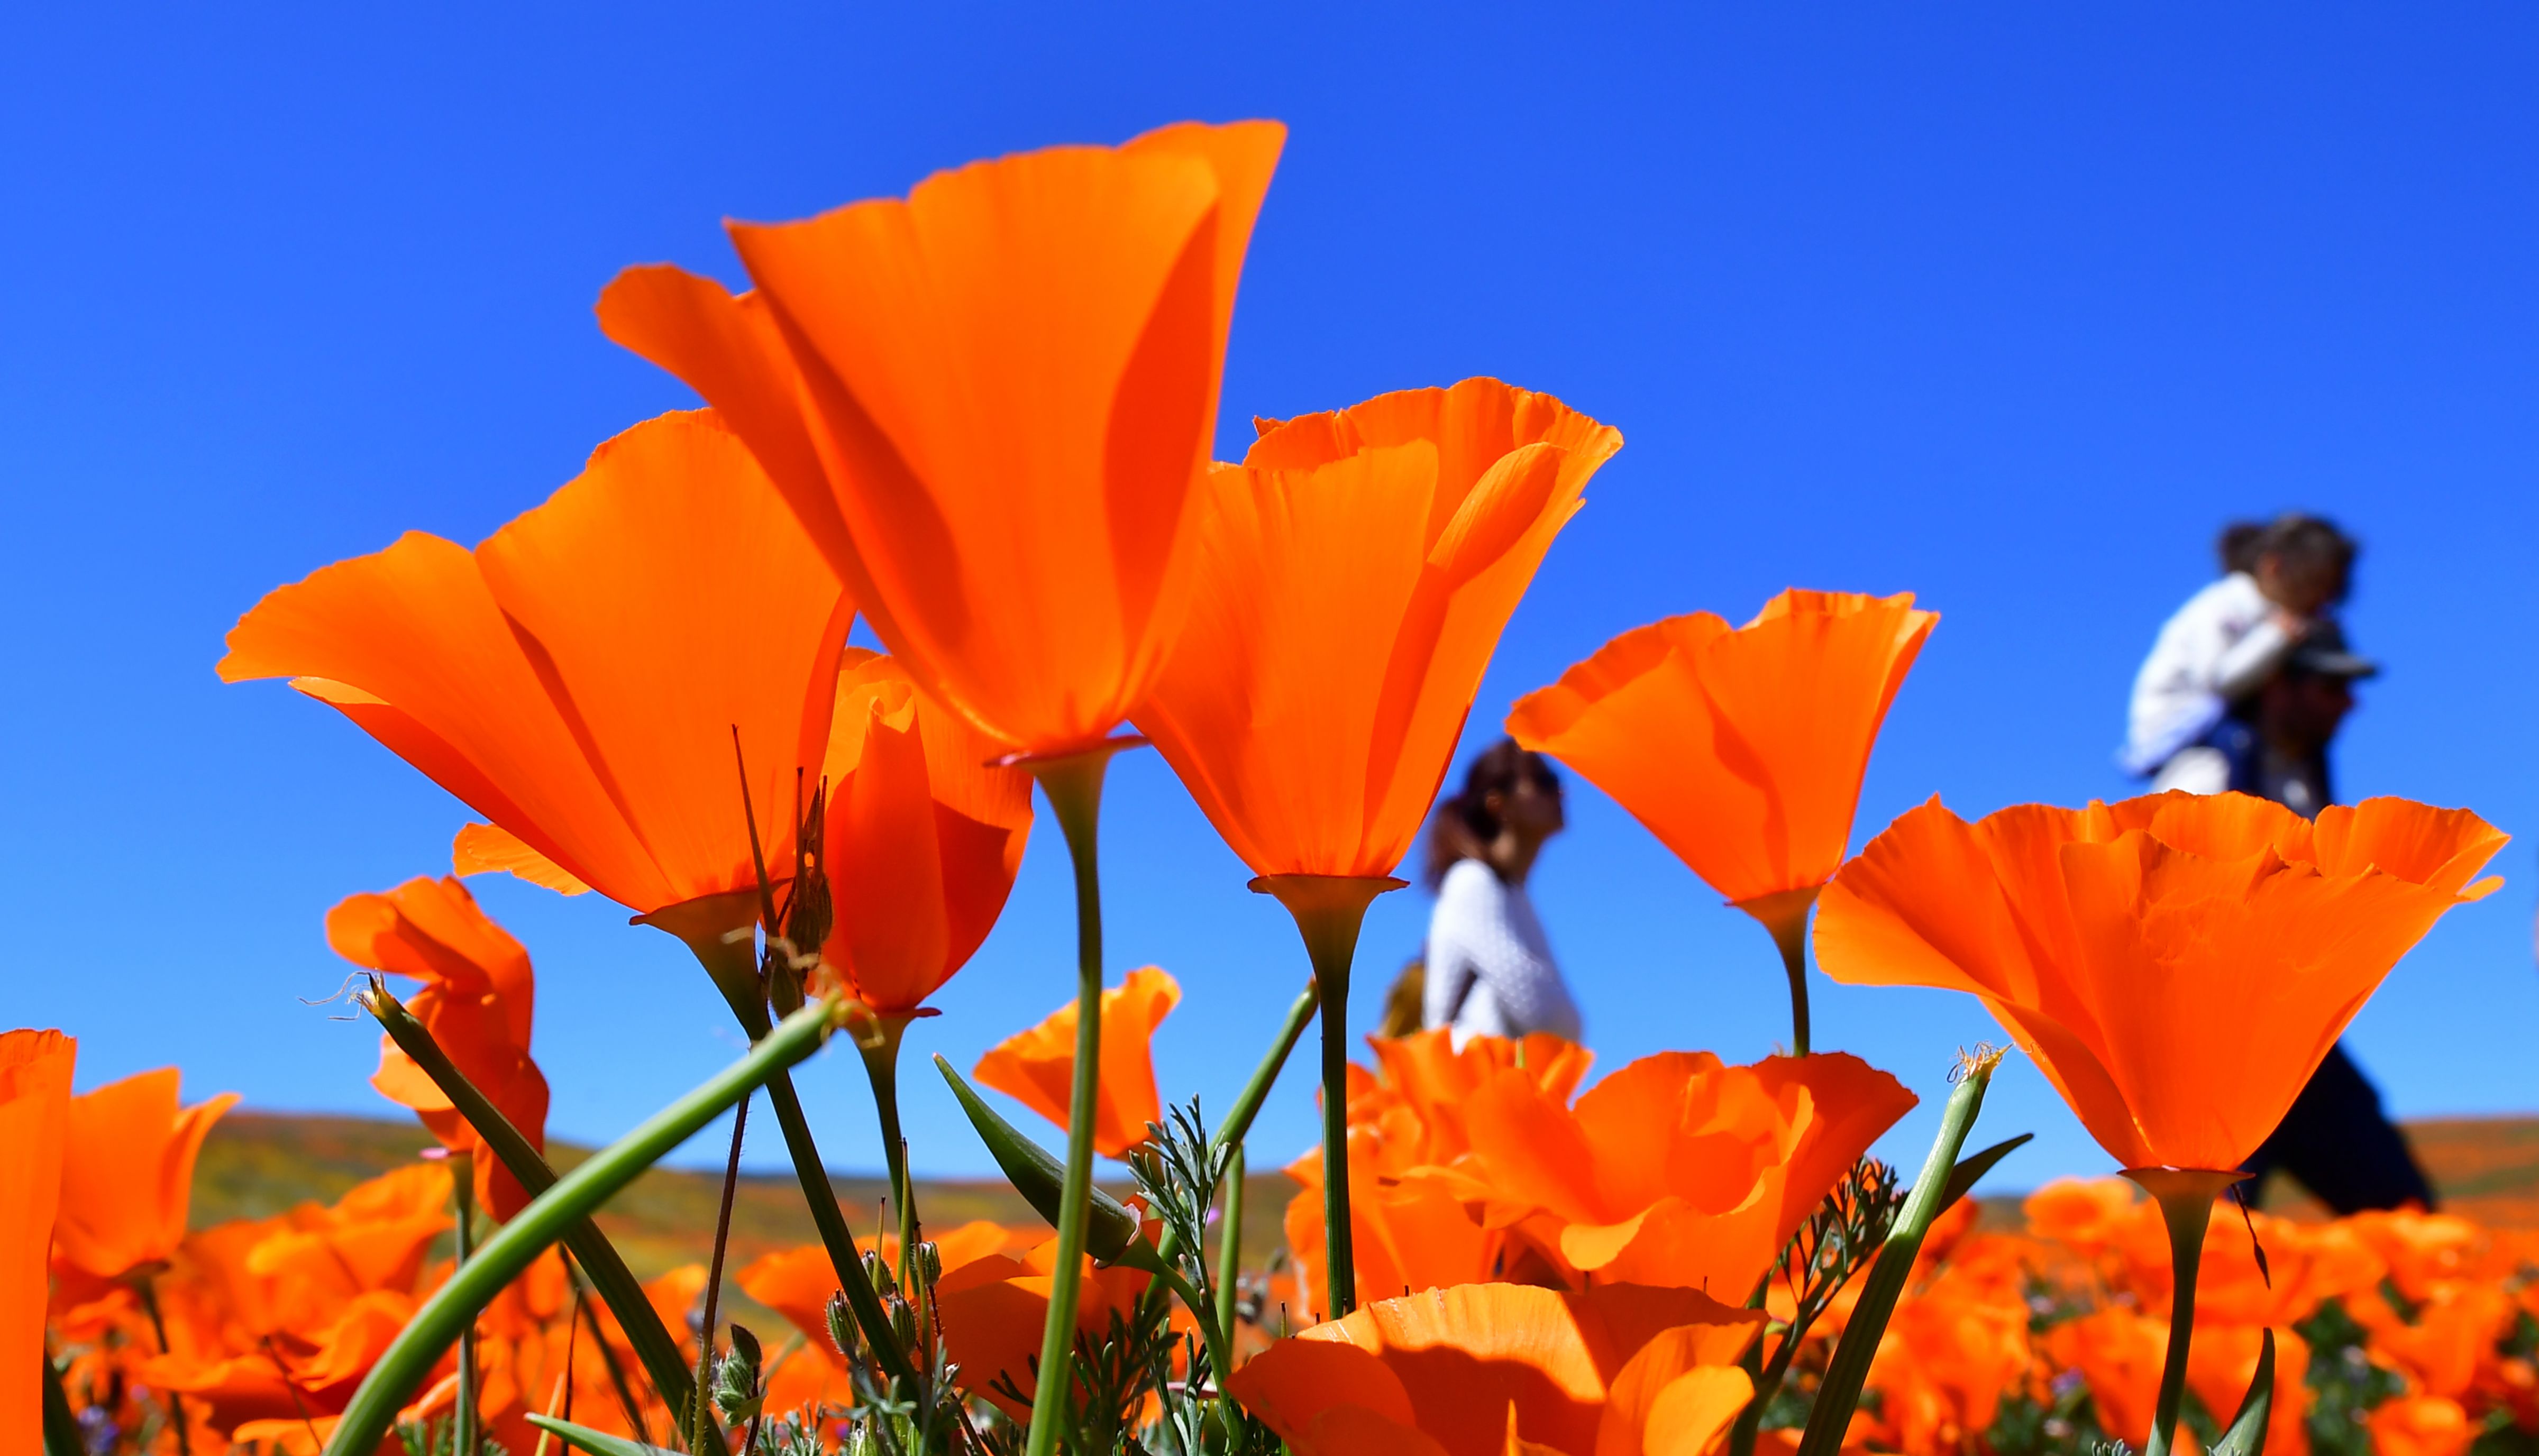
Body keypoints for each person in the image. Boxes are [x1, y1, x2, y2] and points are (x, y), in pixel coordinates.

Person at [2118, 514, 2358, 790]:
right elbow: (2218, 682)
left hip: (2213, 715)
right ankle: (2242, 812)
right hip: (2179, 721)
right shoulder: (2224, 606)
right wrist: (2278, 637)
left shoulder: (2268, 613)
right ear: (2273, 568)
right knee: (2240, 746)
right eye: (2314, 588)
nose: (2319, 604)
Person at [1418, 739, 1583, 1047]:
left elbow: (1562, 1028)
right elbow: (1549, 1019)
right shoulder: (1472, 884)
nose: (1560, 793)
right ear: (1499, 804)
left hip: (1499, 1081)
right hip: (1467, 1083)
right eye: (1545, 782)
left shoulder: (1514, 895)